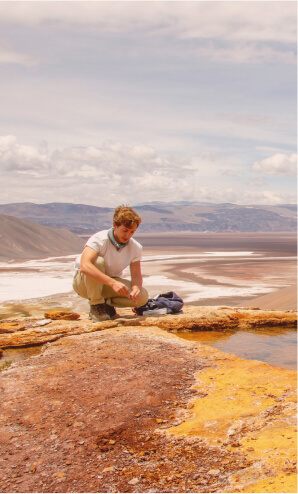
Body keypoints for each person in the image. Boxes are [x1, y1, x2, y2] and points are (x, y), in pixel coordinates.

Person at [73, 205, 148, 321]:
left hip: (106, 285)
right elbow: (85, 266)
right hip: (84, 284)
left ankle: (107, 305)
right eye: (125, 231)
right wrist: (112, 283)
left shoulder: (135, 247)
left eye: (132, 232)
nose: (128, 236)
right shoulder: (99, 239)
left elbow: (136, 274)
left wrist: (136, 289)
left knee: (142, 297)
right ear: (115, 225)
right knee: (97, 262)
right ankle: (96, 306)